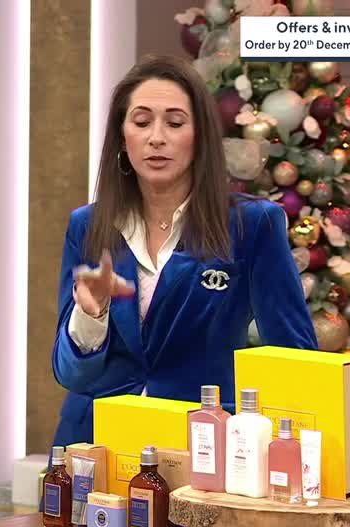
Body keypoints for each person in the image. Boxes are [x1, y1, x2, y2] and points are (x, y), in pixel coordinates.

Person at [50, 54, 319, 448]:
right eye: (141, 122)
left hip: (202, 447)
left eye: (174, 123)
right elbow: (72, 375)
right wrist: (91, 314)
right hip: (96, 444)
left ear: (200, 138)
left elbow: (293, 360)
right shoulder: (88, 226)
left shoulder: (251, 225)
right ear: (122, 137)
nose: (156, 137)